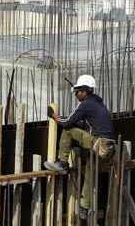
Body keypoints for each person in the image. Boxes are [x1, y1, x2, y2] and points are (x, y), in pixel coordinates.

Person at [44, 74, 116, 218]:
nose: (76, 94)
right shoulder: (98, 103)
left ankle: (62, 163)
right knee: (90, 172)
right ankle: (84, 208)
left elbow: (67, 123)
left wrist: (54, 116)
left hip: (99, 144)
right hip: (109, 148)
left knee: (68, 131)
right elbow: (85, 124)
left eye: (78, 92)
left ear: (84, 91)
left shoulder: (86, 104)